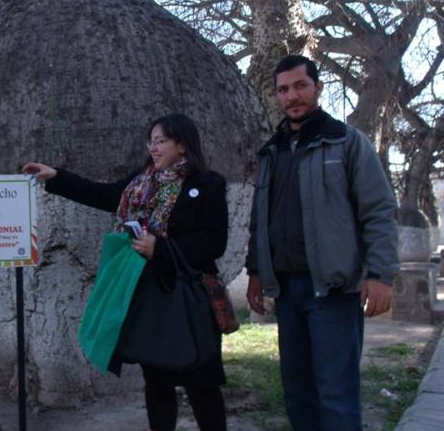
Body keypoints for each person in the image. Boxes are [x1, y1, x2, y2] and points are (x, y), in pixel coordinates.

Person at [23, 113, 229, 431]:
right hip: (150, 296)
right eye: (152, 142)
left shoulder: (207, 184)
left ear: (183, 145)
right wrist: (56, 177)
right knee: (157, 381)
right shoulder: (141, 182)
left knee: (201, 382)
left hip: (190, 299)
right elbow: (103, 195)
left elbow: (213, 242)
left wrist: (159, 248)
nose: (154, 149)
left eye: (160, 141)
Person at [245, 55, 399, 431]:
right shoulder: (271, 153)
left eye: (300, 86)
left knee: (336, 396)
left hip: (332, 292)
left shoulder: (347, 142)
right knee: (298, 395)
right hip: (287, 292)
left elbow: (378, 211)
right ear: (276, 96)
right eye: (284, 90)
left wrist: (380, 274)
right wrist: (254, 271)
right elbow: (260, 218)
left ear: (318, 88)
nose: (292, 96)